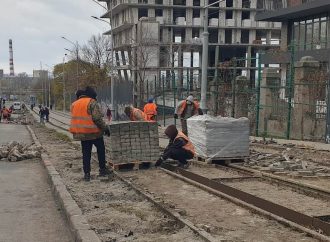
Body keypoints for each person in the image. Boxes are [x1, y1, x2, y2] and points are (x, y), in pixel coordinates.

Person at [69, 86, 111, 181]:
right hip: (94, 133)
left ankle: (87, 174)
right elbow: (97, 118)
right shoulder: (92, 102)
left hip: (82, 134)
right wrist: (105, 129)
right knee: (101, 151)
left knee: (86, 154)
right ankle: (102, 170)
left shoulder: (74, 104)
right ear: (92, 95)